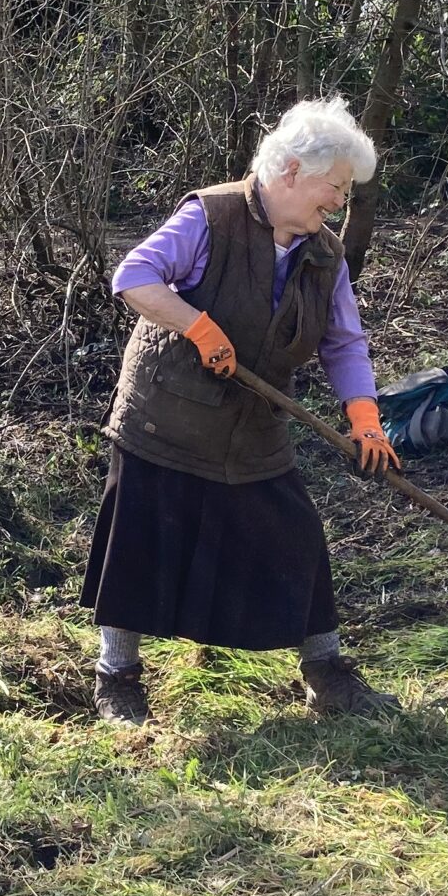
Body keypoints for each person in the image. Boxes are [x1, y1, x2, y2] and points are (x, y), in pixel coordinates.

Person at [81, 97, 402, 726]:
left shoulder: (323, 253)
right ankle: (116, 678)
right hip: (164, 415)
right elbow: (134, 275)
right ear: (290, 171)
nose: (338, 201)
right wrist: (198, 326)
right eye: (334, 186)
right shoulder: (212, 216)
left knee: (297, 536)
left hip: (252, 424)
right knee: (139, 540)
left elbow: (343, 340)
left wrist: (364, 414)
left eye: (345, 190)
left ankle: (328, 675)